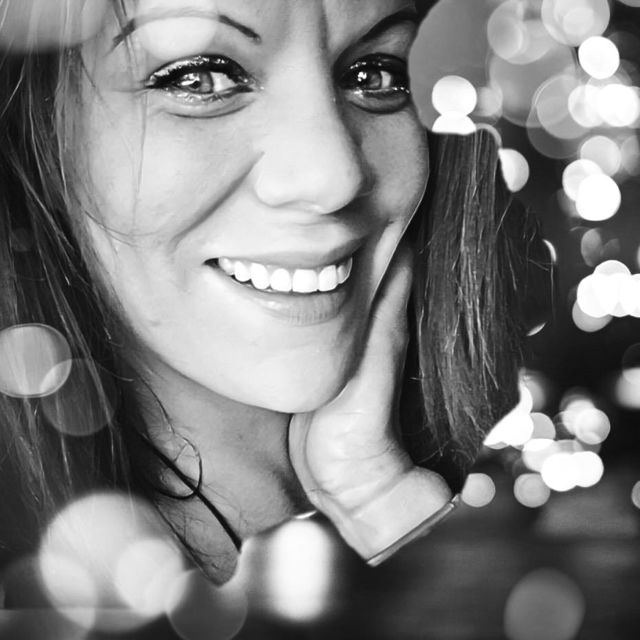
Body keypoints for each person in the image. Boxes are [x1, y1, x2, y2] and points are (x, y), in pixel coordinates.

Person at [0, 0, 549, 592]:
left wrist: (379, 499)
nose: (333, 177)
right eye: (199, 77)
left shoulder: (548, 473)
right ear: (32, 131)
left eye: (374, 74)